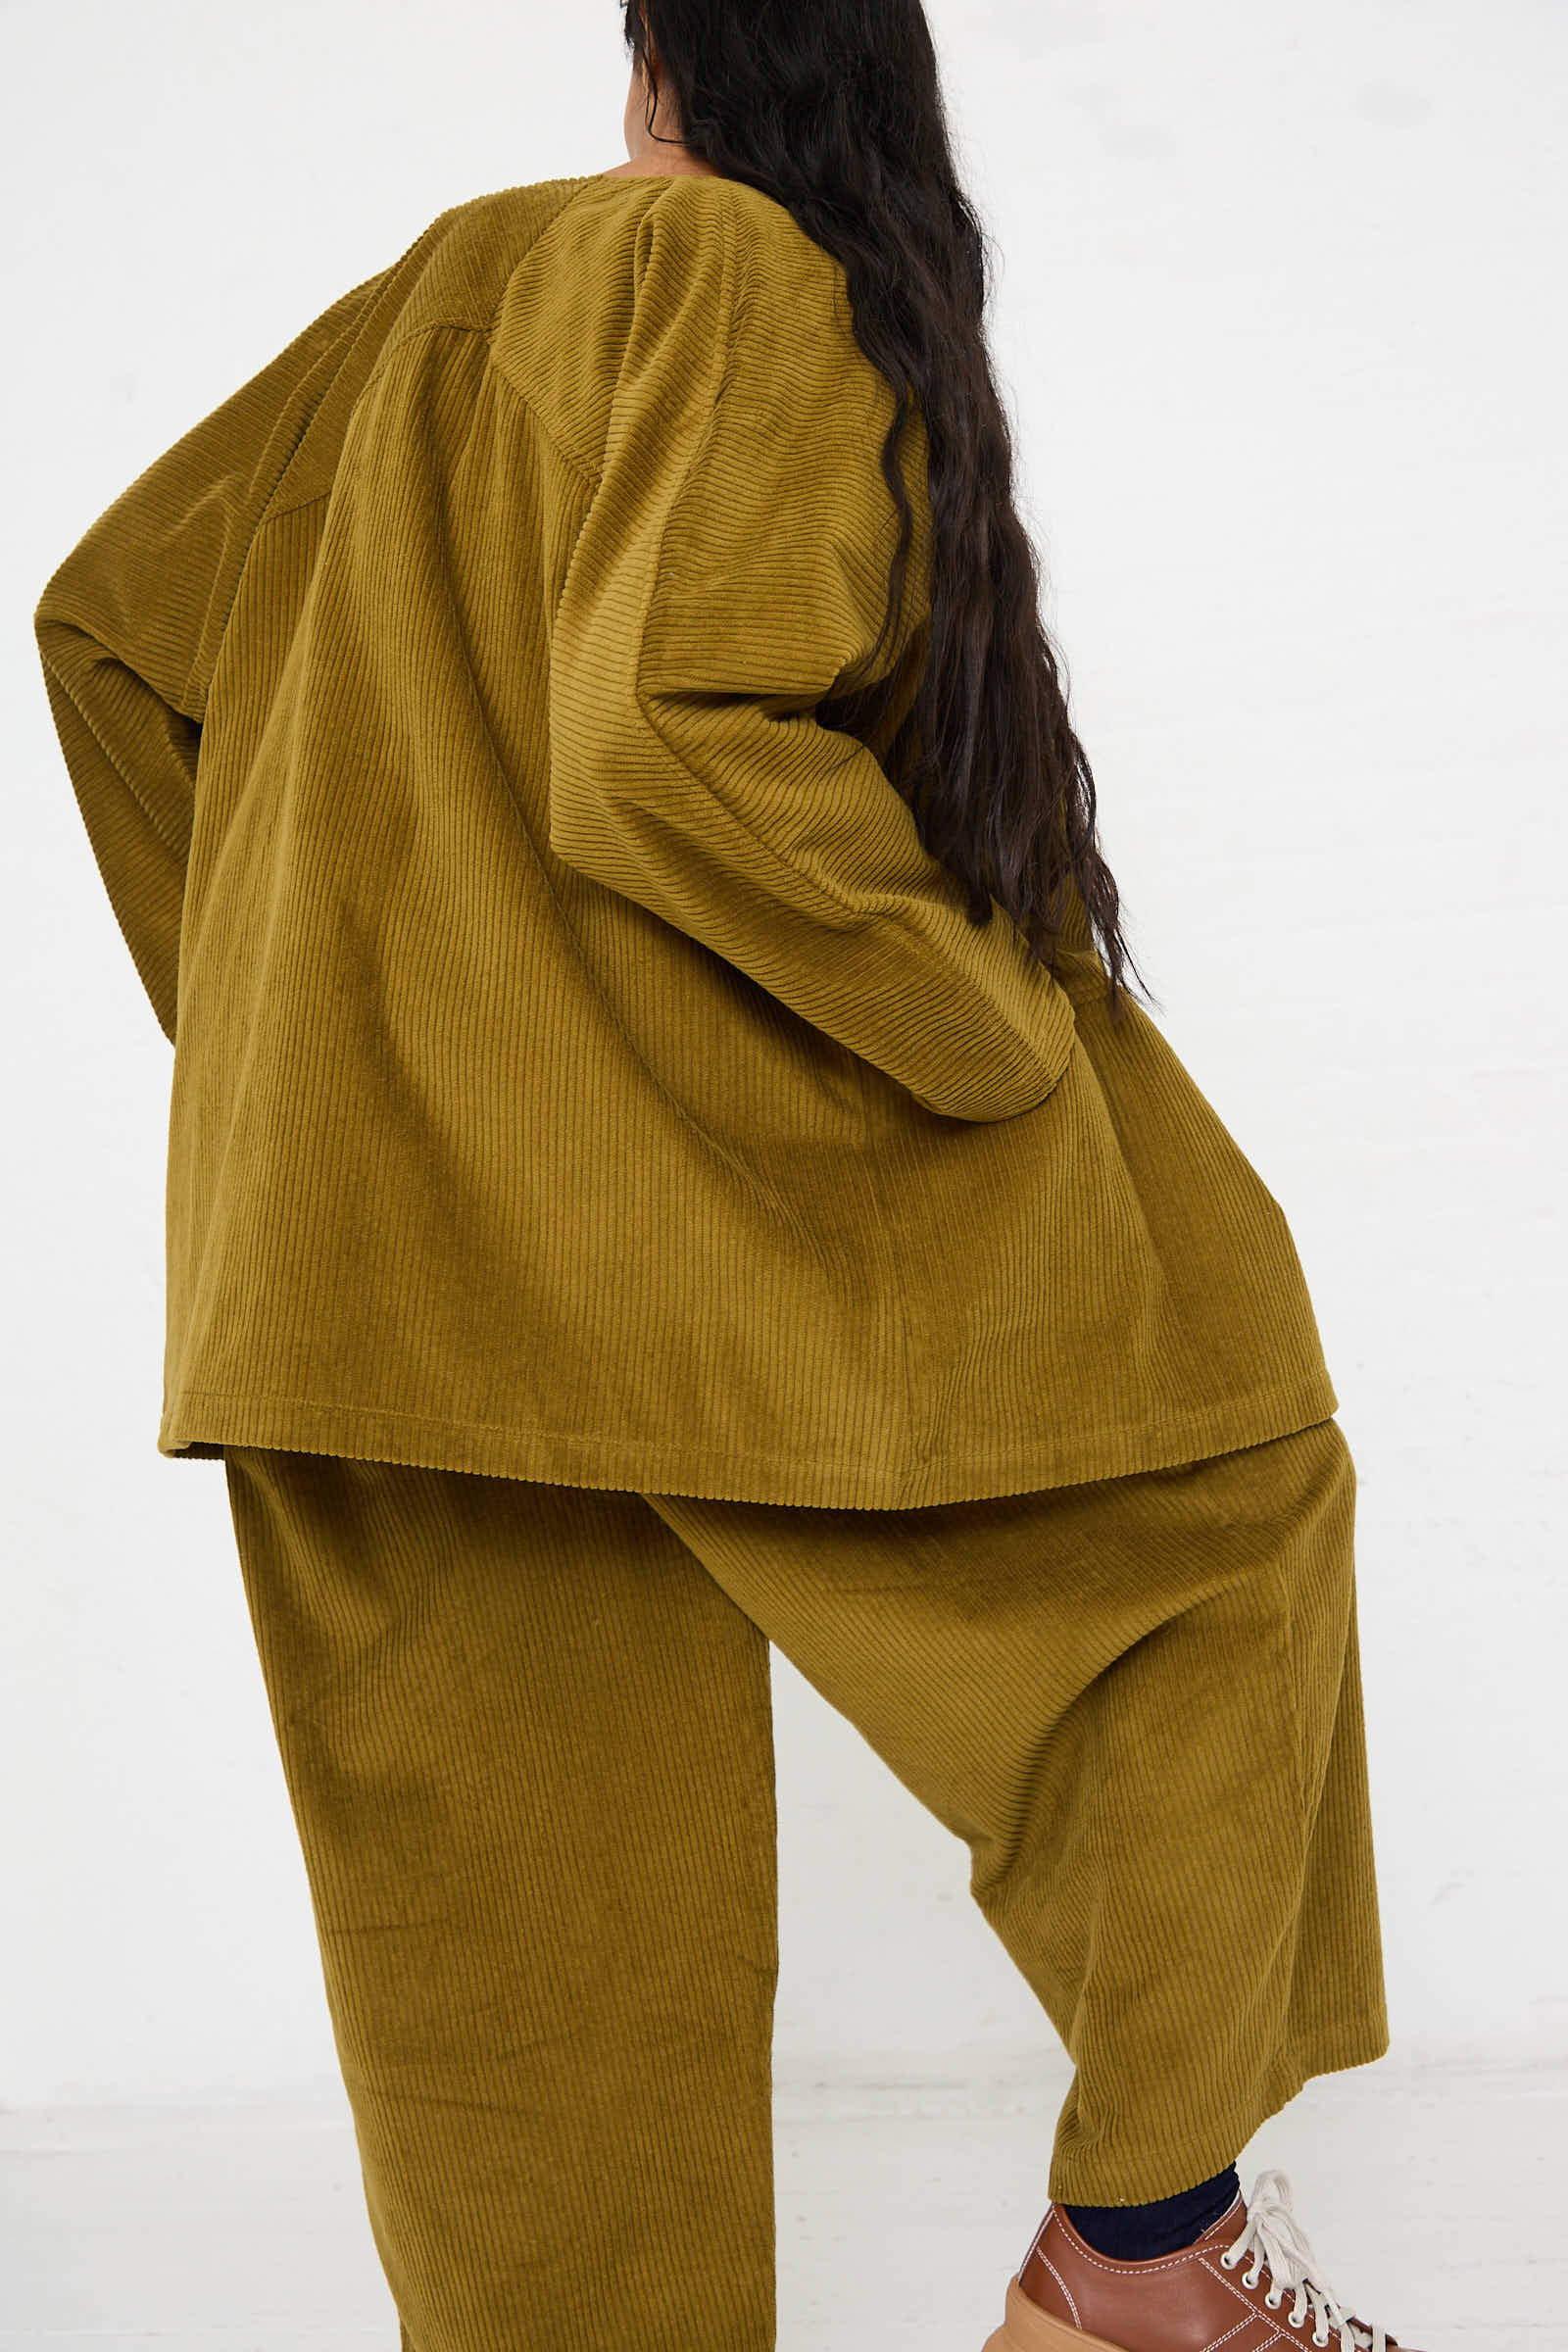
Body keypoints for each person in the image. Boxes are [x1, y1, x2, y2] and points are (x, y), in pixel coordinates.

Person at [32, 4, 1424, 2348]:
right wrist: (984, 1023)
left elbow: (106, 633)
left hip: (357, 1295)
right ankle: (1142, 2264)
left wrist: (318, 1078)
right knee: (1229, 1511)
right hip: (647, 1258)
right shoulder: (735, 276)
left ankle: (1121, 2272)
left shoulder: (412, 312)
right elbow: (659, 744)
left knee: (518, 1987)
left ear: (663, 51)